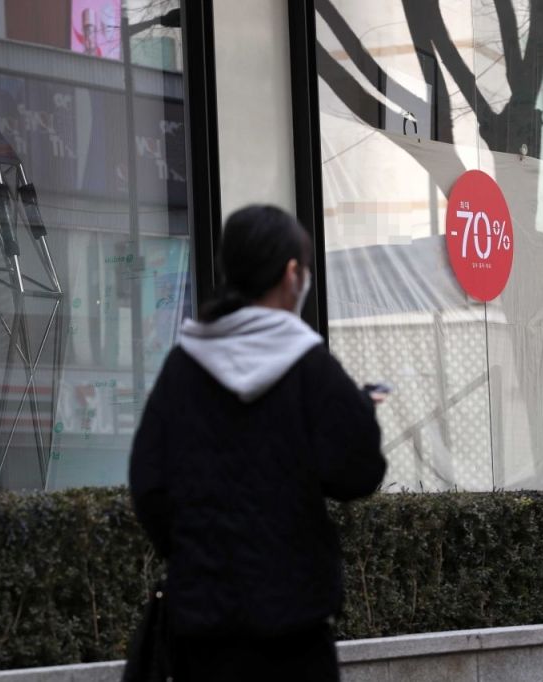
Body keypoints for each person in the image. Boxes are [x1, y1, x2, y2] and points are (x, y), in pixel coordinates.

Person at [128, 204, 386, 681]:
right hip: (295, 625)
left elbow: (149, 486)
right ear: (292, 274)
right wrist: (361, 413)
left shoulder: (183, 367)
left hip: (201, 627)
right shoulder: (310, 366)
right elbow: (357, 474)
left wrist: (196, 552)